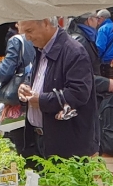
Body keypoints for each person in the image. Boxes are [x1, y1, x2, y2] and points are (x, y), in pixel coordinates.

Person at [14, 16, 98, 159]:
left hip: (66, 146)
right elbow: (38, 79)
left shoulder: (74, 51)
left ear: (46, 23)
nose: (27, 38)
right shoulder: (41, 49)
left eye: (29, 31)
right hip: (40, 140)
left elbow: (79, 93)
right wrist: (25, 87)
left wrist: (41, 100)